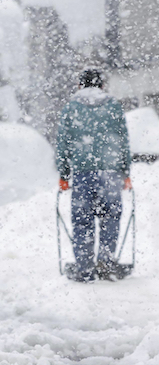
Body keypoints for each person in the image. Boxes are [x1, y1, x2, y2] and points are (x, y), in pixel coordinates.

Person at [56, 68, 132, 282]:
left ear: (80, 85)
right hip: (110, 173)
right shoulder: (113, 106)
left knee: (82, 221)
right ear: (102, 86)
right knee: (110, 219)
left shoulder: (71, 108)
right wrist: (125, 172)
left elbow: (63, 143)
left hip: (83, 173)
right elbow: (122, 140)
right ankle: (106, 264)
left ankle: (84, 268)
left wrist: (64, 174)